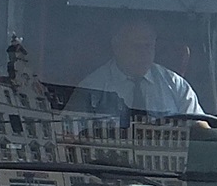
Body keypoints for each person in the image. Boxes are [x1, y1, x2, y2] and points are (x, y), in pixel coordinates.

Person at [67, 15, 204, 119]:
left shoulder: (175, 85)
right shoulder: (92, 87)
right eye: (137, 46)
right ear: (117, 46)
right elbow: (67, 134)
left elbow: (200, 126)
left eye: (148, 46)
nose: (144, 53)